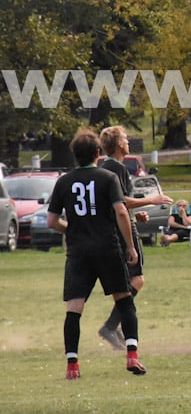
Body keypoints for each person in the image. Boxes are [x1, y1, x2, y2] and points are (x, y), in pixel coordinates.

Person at [47, 128, 146, 379]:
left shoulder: (63, 181)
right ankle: (132, 356)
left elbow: (52, 222)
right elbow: (122, 213)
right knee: (124, 299)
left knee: (74, 307)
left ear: (75, 156)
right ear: (97, 153)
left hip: (78, 251)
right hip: (107, 246)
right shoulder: (107, 178)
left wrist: (71, 230)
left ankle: (72, 365)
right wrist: (130, 246)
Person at [97, 125, 172, 350]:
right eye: (126, 138)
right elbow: (122, 201)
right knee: (136, 280)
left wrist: (134, 214)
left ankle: (113, 325)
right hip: (122, 233)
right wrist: (152, 200)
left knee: (126, 283)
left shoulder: (106, 167)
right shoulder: (117, 167)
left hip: (117, 228)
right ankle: (110, 326)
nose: (128, 141)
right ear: (119, 144)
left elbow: (117, 203)